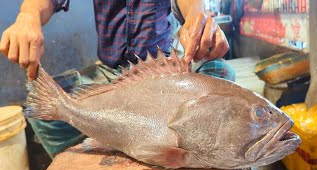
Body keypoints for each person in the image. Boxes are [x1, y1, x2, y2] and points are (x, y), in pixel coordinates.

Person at [0, 0, 235, 158]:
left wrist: (197, 16)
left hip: (165, 73)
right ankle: (96, 153)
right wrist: (27, 14)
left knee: (222, 73)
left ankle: (126, 136)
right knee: (46, 109)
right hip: (111, 74)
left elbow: (191, 4)